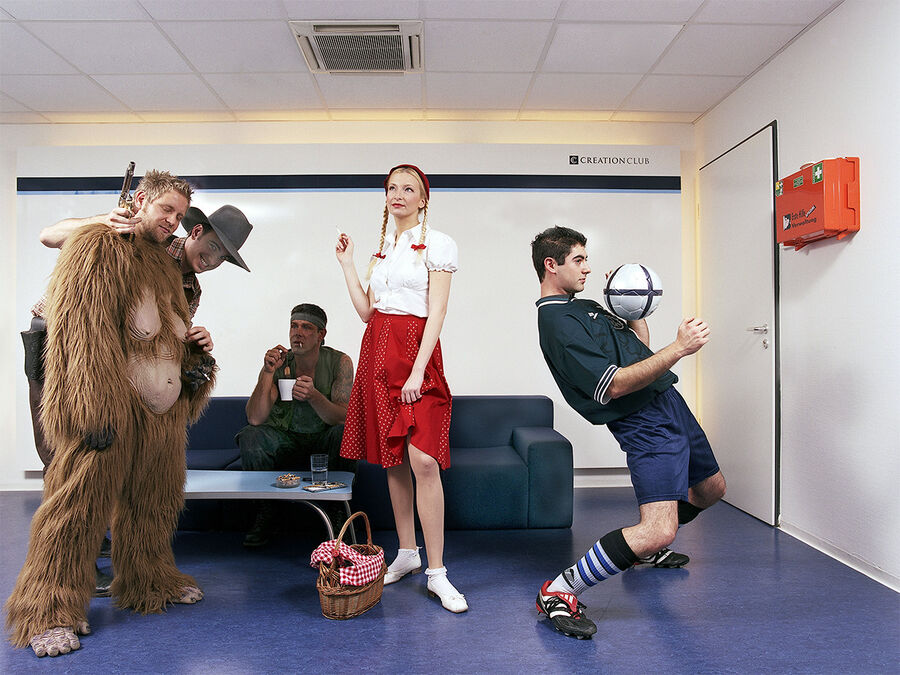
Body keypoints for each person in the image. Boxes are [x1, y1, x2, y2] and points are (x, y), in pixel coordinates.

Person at [6, 170, 217, 657]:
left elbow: (162, 341)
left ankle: (150, 579)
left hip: (157, 416)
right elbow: (82, 339)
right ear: (140, 200)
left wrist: (198, 360)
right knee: (75, 508)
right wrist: (91, 411)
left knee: (153, 504)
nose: (172, 222)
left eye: (180, 216)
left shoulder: (170, 269)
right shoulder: (104, 242)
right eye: (166, 210)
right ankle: (48, 609)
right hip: (106, 406)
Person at [23, 197, 253, 594]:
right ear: (195, 232)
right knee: (65, 457)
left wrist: (196, 346)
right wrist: (103, 220)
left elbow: (158, 344)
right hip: (60, 342)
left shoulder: (191, 288)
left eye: (223, 258)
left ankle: (125, 562)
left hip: (125, 373)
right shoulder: (146, 241)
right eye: (213, 247)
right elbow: (50, 236)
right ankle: (65, 576)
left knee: (130, 472)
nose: (214, 260)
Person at [530, 226, 726, 639]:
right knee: (658, 528)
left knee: (711, 489)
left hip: (667, 403)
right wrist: (680, 348)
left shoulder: (582, 307)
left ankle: (643, 551)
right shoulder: (557, 323)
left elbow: (637, 347)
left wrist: (629, 304)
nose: (587, 267)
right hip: (644, 422)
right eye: (578, 260)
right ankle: (560, 589)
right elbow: (613, 384)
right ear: (552, 265)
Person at [334, 164, 466, 613]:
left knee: (423, 460)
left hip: (416, 353)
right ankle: (407, 553)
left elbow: (439, 312)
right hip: (377, 349)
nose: (398, 195)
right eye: (392, 188)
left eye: (408, 189)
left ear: (423, 198)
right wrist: (348, 265)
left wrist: (417, 371)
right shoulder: (384, 248)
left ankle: (437, 572)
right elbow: (367, 312)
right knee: (394, 459)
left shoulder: (440, 243)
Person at [236, 303, 355, 546]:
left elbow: (343, 416)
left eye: (306, 327)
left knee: (344, 432)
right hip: (285, 441)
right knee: (251, 435)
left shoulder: (339, 362)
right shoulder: (279, 362)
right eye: (294, 326)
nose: (297, 332)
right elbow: (255, 418)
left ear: (321, 334)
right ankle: (265, 514)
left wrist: (314, 397)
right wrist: (268, 372)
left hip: (322, 444)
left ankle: (336, 513)